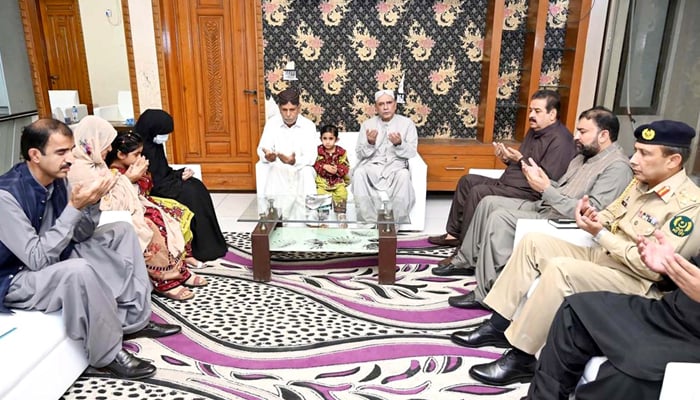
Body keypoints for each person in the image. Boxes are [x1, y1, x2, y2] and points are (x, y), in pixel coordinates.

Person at [450, 120, 700, 387]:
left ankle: (521, 358)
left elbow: (653, 269)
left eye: (644, 154)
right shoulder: (641, 183)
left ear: (673, 160)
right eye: (635, 150)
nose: (633, 159)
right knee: (533, 242)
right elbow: (610, 215)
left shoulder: (689, 206)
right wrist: (590, 217)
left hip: (637, 280)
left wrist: (601, 234)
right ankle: (499, 324)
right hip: (605, 256)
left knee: (560, 270)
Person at [0, 118, 180, 379]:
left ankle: (134, 321)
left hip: (56, 252)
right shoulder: (6, 196)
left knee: (122, 231)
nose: (69, 159)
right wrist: (74, 208)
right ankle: (107, 355)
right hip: (17, 276)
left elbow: (81, 233)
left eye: (71, 151)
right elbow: (37, 259)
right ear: (35, 155)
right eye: (61, 152)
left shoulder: (58, 178)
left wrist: (92, 203)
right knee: (79, 270)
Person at [436, 107, 632, 308]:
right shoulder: (583, 156)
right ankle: (466, 261)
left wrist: (546, 189)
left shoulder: (616, 167)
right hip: (546, 205)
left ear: (604, 135)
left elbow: (591, 213)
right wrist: (542, 181)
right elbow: (563, 188)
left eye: (583, 132)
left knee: (499, 217)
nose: (577, 136)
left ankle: (488, 294)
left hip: (561, 221)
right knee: (488, 202)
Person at [525, 231, 700, 400]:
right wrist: (669, 268)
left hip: (692, 337)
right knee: (577, 310)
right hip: (669, 311)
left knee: (632, 371)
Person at [428, 89, 576, 248]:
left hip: (528, 192)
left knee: (478, 192)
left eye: (537, 111)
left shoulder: (562, 141)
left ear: (552, 114)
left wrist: (519, 159)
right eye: (530, 110)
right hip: (508, 183)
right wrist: (506, 159)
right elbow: (520, 164)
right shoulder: (534, 130)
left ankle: (465, 249)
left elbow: (544, 179)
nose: (531, 115)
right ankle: (453, 235)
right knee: (467, 181)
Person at [106, 130, 210, 300]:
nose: (141, 157)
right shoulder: (112, 173)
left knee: (176, 213)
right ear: (120, 154)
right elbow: (117, 200)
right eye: (136, 154)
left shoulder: (130, 167)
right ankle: (164, 281)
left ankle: (181, 269)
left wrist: (141, 175)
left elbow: (147, 188)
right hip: (125, 210)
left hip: (141, 202)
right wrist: (131, 178)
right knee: (155, 225)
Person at [135, 109, 227, 263]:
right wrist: (176, 180)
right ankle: (201, 249)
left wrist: (180, 174)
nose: (165, 137)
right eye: (163, 132)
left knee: (196, 186)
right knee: (190, 194)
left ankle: (211, 243)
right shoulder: (137, 148)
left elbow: (162, 171)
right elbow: (151, 181)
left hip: (163, 184)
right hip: (151, 190)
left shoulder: (153, 144)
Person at [352, 89, 418, 223]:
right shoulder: (367, 125)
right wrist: (370, 143)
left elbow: (412, 152)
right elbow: (359, 154)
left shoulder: (407, 124)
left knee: (404, 175)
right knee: (359, 173)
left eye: (389, 103)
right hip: (373, 167)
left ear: (395, 105)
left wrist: (399, 143)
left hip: (395, 167)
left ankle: (392, 225)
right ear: (376, 107)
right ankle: (369, 223)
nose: (386, 107)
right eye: (381, 104)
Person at [313, 124, 350, 210]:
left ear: (336, 139)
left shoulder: (341, 152)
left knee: (342, 193)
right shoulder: (318, 151)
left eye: (331, 138)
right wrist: (324, 166)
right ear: (320, 139)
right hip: (322, 182)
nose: (327, 142)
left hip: (338, 182)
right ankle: (323, 217)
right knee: (321, 196)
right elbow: (314, 164)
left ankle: (341, 214)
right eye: (325, 138)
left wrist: (337, 169)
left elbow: (346, 166)